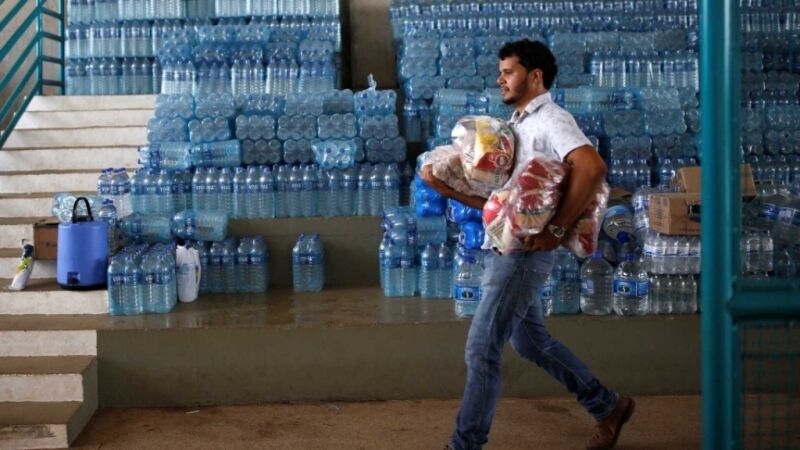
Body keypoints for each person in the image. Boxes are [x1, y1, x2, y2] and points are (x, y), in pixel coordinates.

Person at [420, 39, 635, 450]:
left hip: (522, 255)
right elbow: (501, 206)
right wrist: (445, 188)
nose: (500, 79)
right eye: (500, 71)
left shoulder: (550, 118)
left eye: (509, 71)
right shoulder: (516, 125)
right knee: (531, 341)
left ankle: (464, 445)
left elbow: (592, 167)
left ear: (535, 76)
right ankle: (607, 406)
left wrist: (555, 230)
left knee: (481, 348)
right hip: (506, 244)